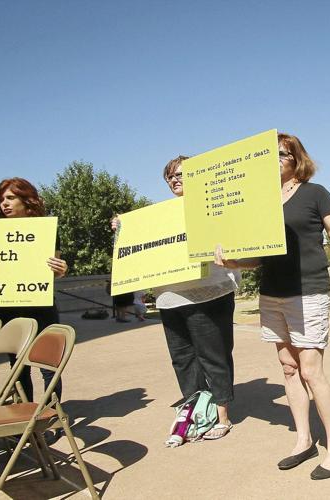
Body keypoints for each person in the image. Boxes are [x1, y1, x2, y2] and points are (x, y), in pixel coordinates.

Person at [216, 133, 330, 480]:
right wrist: (234, 263)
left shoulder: (315, 193)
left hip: (307, 291)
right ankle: (304, 440)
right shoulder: (261, 202)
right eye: (270, 154)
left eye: (282, 153)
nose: (275, 158)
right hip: (272, 292)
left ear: (296, 158)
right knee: (288, 368)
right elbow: (259, 257)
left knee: (310, 369)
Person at [111, 155, 240, 441]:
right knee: (182, 357)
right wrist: (124, 229)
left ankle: (222, 415)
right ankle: (194, 411)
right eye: (170, 177)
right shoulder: (159, 216)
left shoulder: (215, 207)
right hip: (170, 296)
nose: (175, 180)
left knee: (213, 354)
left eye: (182, 174)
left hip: (208, 292)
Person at [0, 178, 68, 402]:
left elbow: (53, 270)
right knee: (18, 366)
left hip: (41, 306)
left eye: (11, 198)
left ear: (26, 200)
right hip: (10, 308)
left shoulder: (46, 230)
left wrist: (61, 269)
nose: (5, 203)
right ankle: (25, 416)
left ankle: (52, 413)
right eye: (1, 199)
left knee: (48, 365)